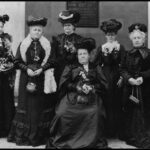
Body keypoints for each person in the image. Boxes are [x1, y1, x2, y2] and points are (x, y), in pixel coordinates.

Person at [46, 38, 110, 149]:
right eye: (80, 54)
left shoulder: (96, 67)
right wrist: (77, 87)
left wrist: (92, 87)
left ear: (89, 55)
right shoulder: (70, 67)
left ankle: (90, 141)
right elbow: (64, 84)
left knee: (96, 113)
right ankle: (67, 140)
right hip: (72, 96)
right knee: (62, 113)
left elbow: (104, 85)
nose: (82, 56)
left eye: (84, 54)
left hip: (92, 97)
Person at [7, 16, 56, 146]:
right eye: (35, 30)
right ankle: (23, 136)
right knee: (26, 107)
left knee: (39, 107)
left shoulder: (47, 45)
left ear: (42, 31)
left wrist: (41, 69)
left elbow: (52, 61)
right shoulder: (23, 44)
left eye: (39, 30)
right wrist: (27, 69)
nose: (37, 32)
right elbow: (17, 62)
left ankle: (39, 136)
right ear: (30, 30)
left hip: (41, 79)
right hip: (26, 78)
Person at [93, 19, 126, 138]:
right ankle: (106, 131)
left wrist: (122, 78)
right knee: (106, 103)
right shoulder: (102, 48)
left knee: (116, 104)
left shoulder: (120, 47)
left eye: (112, 34)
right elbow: (95, 63)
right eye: (108, 34)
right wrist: (101, 77)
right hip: (105, 78)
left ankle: (116, 131)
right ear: (105, 35)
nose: (110, 36)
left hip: (117, 77)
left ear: (116, 35)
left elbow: (124, 64)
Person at [121, 23, 150, 148]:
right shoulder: (128, 54)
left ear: (144, 39)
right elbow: (122, 69)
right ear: (131, 39)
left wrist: (143, 77)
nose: (137, 40)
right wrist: (130, 79)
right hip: (130, 88)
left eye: (139, 38)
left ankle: (143, 135)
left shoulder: (149, 53)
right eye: (135, 38)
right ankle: (131, 135)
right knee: (131, 110)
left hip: (145, 89)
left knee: (143, 111)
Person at [52, 10, 83, 86]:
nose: (67, 27)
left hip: (73, 69)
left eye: (69, 25)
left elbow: (81, 55)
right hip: (60, 68)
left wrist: (74, 50)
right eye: (65, 25)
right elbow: (54, 55)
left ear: (73, 26)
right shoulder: (58, 38)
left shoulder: (79, 39)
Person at [0, 14, 15, 137]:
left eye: (1, 27)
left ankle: (6, 128)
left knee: (5, 99)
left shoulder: (6, 40)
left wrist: (8, 65)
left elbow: (11, 57)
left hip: (4, 75)